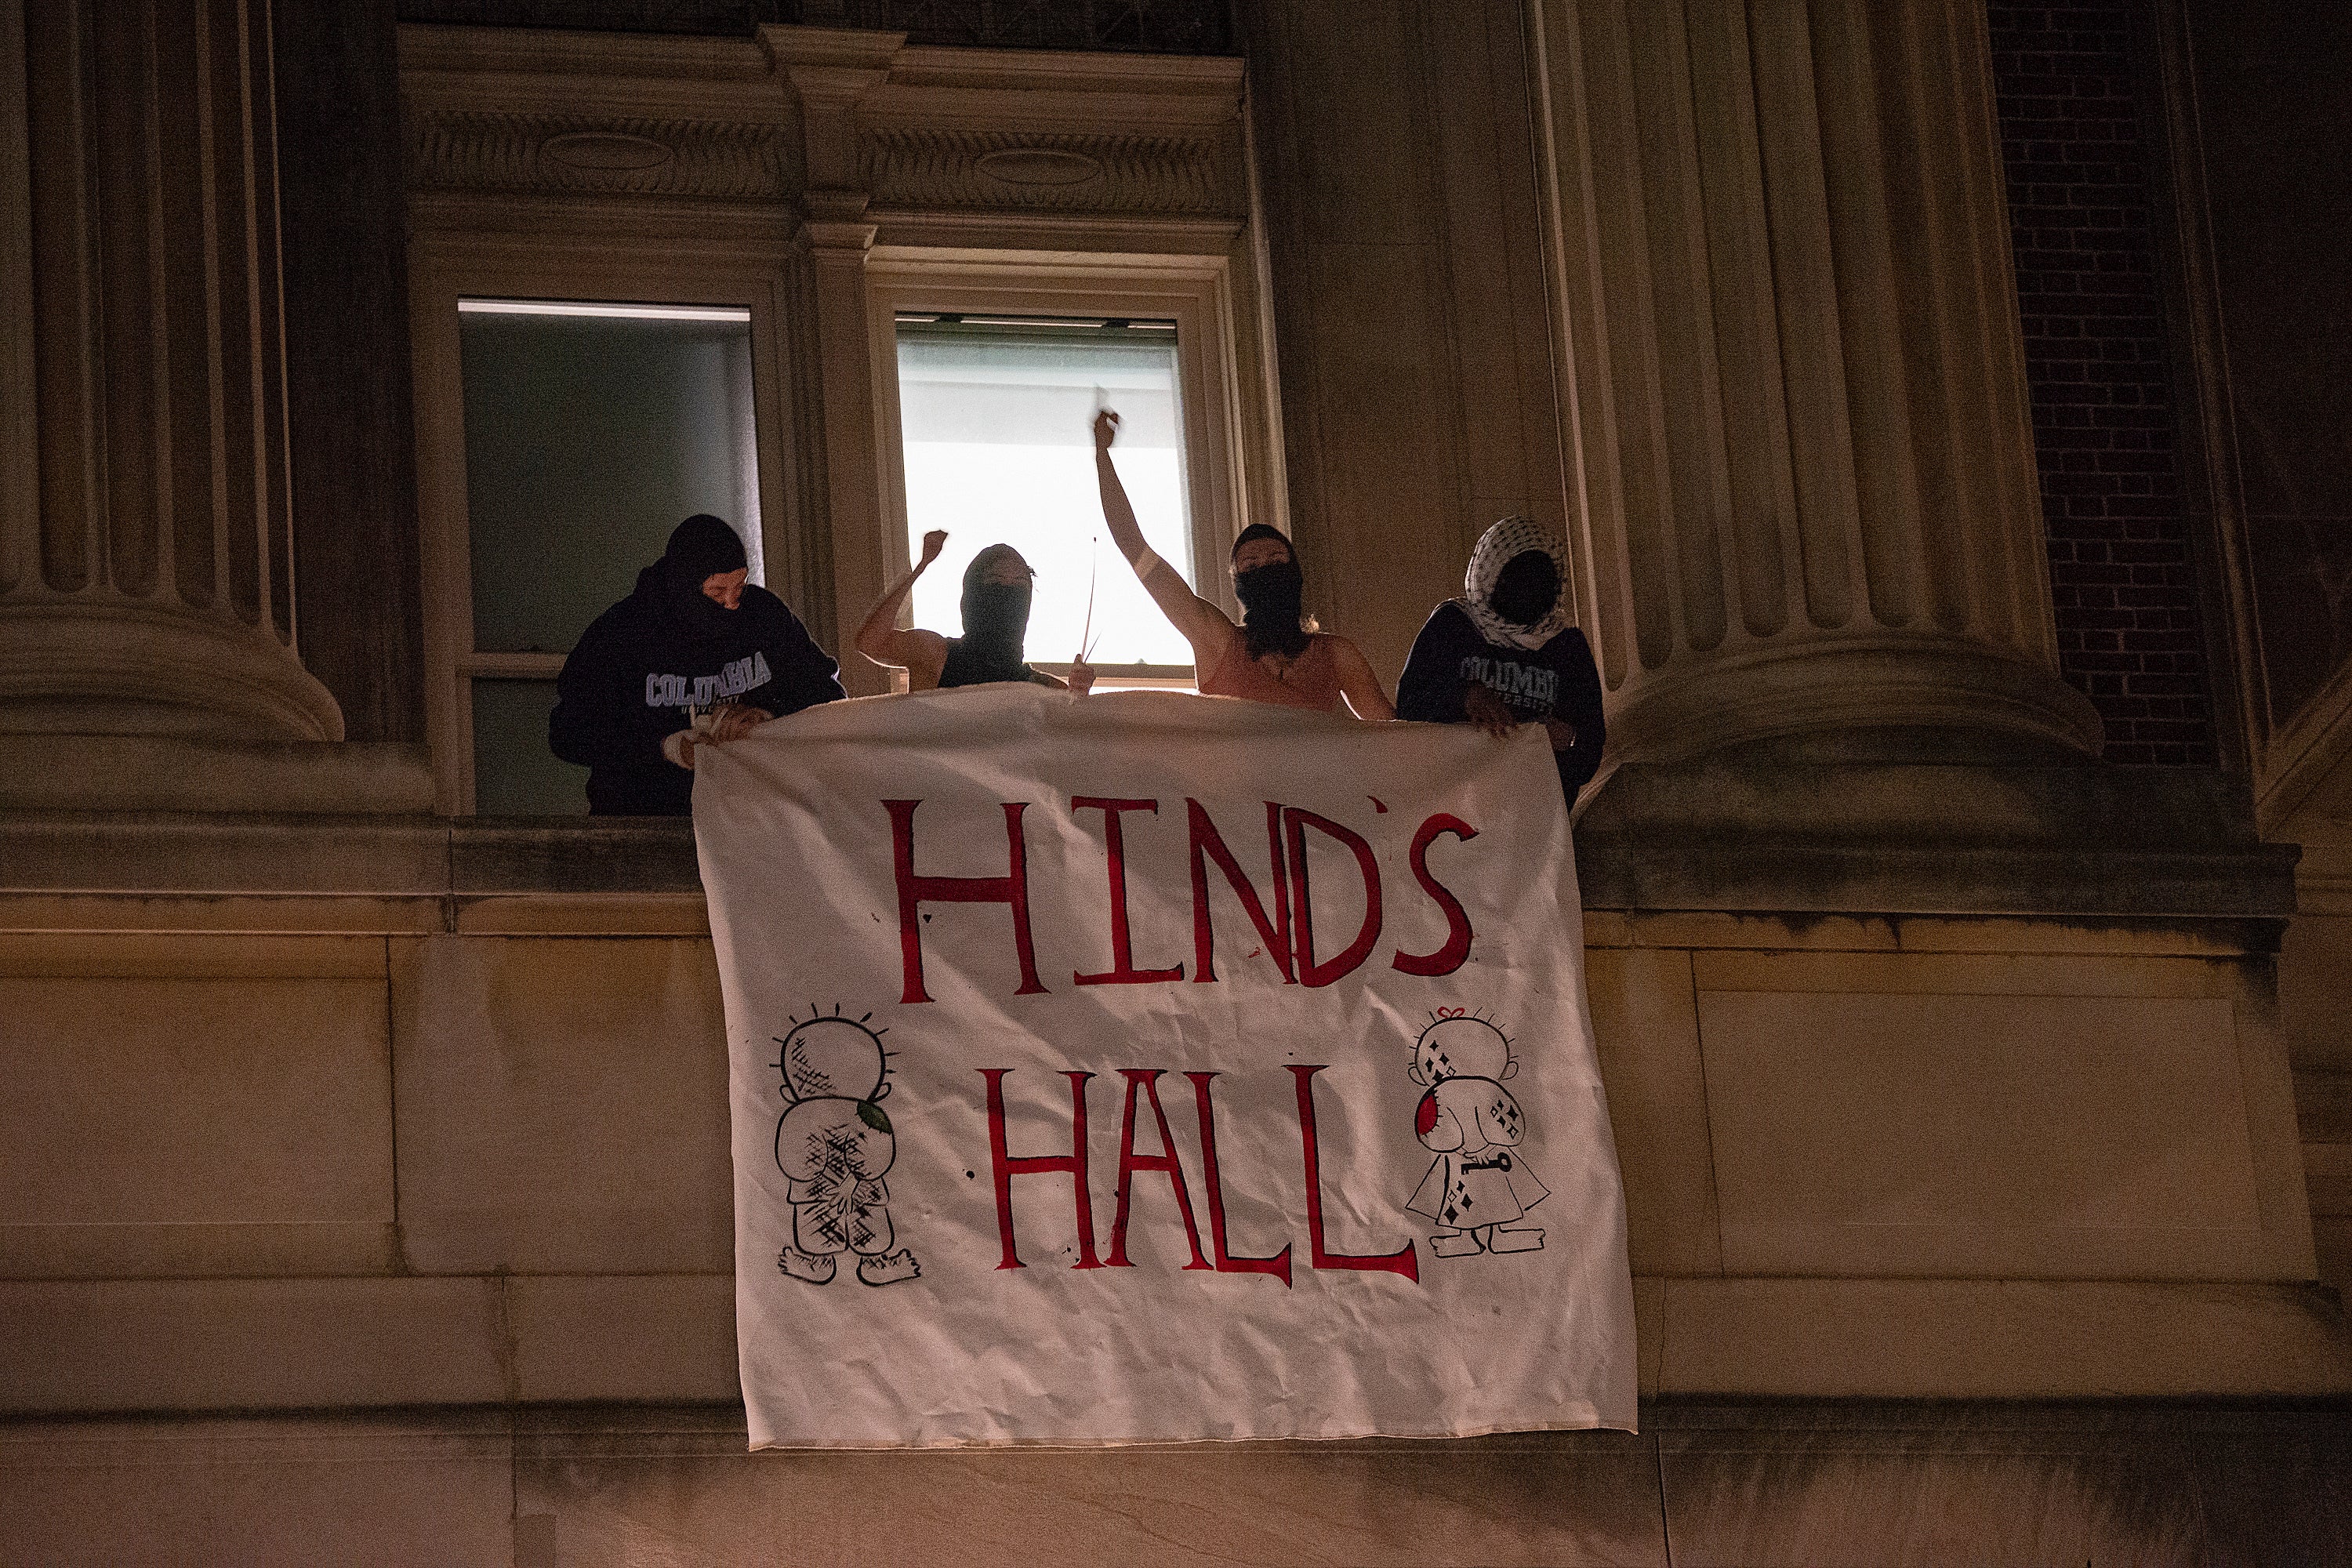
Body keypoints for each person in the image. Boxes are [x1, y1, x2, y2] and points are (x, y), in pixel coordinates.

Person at [1093, 409, 1393, 719]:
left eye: (1276, 560)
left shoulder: (1336, 655)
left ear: (1296, 573)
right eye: (1251, 565)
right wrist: (1102, 455)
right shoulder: (1219, 642)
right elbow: (1135, 547)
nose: (1265, 569)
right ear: (1239, 585)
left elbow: (1396, 736)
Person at [550, 513, 844, 815]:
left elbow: (828, 697)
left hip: (751, 815)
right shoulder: (624, 632)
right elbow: (569, 732)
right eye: (717, 592)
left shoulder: (764, 617)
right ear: (684, 588)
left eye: (740, 587)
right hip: (643, 816)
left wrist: (770, 715)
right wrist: (664, 746)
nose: (732, 603)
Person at [1396, 515, 1605, 801]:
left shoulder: (1566, 644)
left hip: (1535, 812)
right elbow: (1409, 706)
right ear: (1491, 575)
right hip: (1457, 807)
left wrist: (1566, 739)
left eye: (1541, 580)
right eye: (1520, 577)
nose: (1530, 590)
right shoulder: (1453, 624)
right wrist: (1465, 697)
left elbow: (1589, 748)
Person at [854, 531, 1093, 693]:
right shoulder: (935, 655)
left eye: (1020, 585)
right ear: (973, 596)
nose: (1008, 595)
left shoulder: (1046, 689)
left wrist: (1079, 700)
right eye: (996, 583)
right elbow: (872, 642)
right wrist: (920, 567)